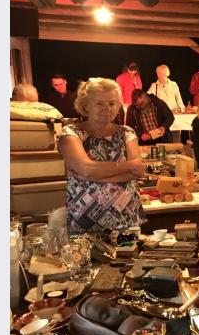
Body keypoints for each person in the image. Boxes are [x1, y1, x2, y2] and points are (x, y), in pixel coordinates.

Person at [57, 77, 147, 235]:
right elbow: (86, 168)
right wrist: (128, 166)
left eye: (112, 103)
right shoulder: (71, 134)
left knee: (128, 259)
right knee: (87, 260)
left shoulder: (127, 133)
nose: (107, 108)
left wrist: (93, 176)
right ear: (85, 105)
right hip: (85, 223)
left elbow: (138, 171)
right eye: (99, 103)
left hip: (126, 219)